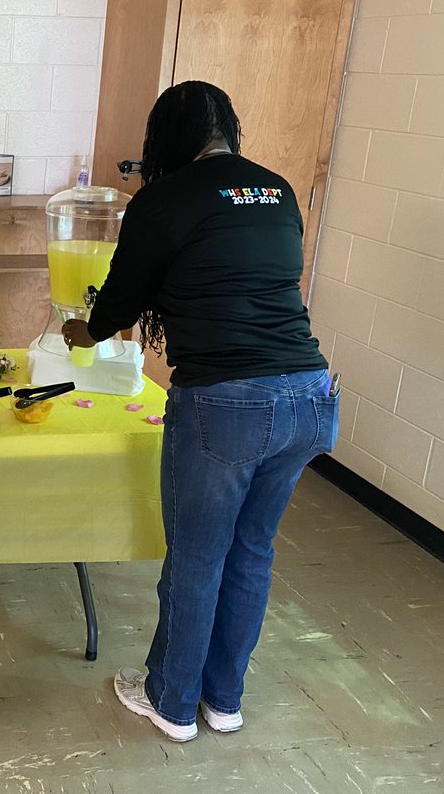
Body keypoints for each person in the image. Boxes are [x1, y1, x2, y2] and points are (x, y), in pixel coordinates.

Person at [63, 81, 339, 743]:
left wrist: (83, 331)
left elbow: (121, 301)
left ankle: (173, 703)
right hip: (308, 394)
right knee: (252, 553)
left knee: (197, 558)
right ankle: (225, 700)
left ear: (166, 140)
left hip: (227, 403)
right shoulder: (275, 189)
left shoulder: (164, 199)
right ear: (228, 132)